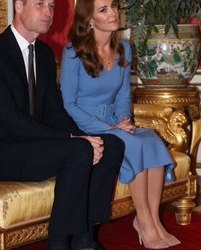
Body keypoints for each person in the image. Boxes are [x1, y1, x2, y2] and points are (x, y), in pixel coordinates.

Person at [0, 0, 125, 249]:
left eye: (50, 6)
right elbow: (11, 120)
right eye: (40, 4)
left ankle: (85, 237)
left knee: (110, 145)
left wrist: (84, 136)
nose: (48, 12)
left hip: (32, 145)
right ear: (19, 6)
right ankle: (59, 243)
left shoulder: (44, 54)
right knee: (79, 149)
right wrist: (74, 141)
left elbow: (54, 112)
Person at [60, 0, 181, 249]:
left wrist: (122, 120)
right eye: (104, 9)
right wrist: (108, 129)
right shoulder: (73, 51)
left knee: (153, 141)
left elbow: (124, 96)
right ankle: (145, 223)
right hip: (86, 125)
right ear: (90, 20)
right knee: (135, 144)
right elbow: (69, 104)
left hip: (115, 122)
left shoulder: (124, 48)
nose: (114, 12)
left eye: (113, 6)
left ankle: (153, 220)